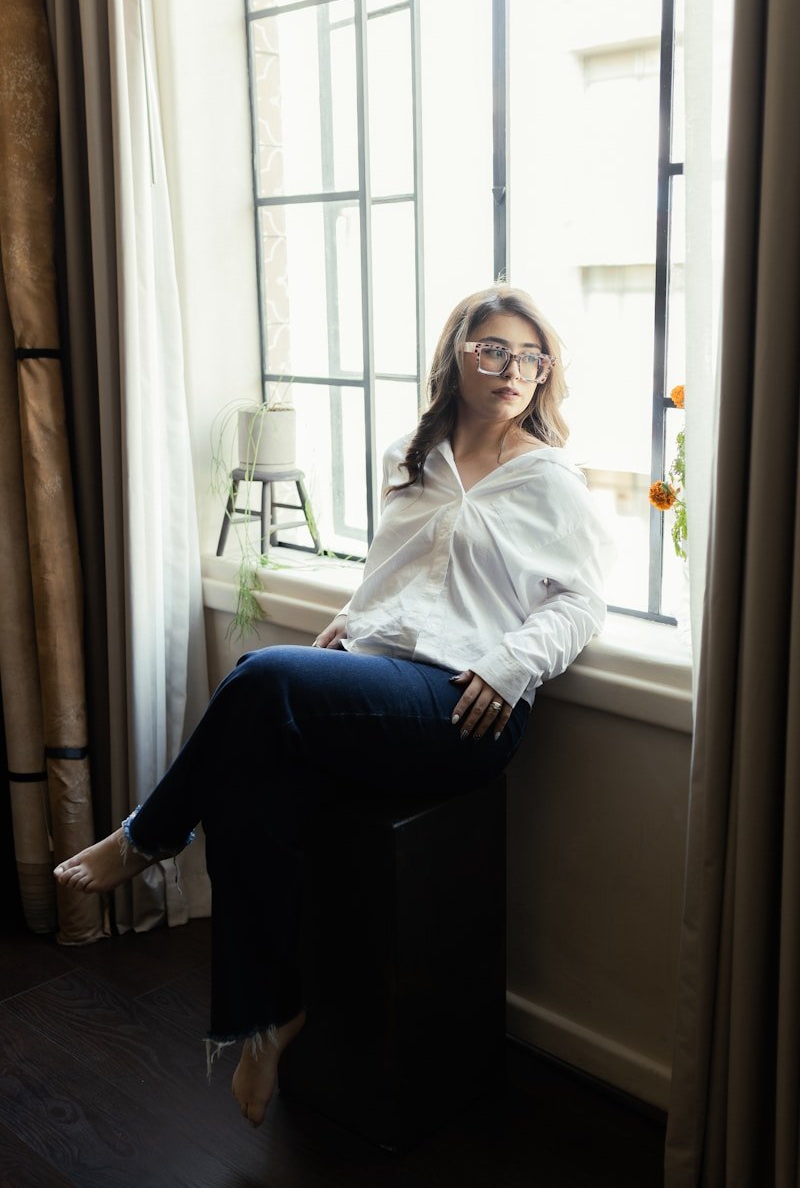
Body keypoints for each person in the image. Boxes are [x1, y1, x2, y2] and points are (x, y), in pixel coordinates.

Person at [54, 284, 612, 1127]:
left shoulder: (548, 478)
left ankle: (149, 837)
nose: (512, 370)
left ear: (545, 374)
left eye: (531, 358)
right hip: (385, 678)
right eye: (494, 350)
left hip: (465, 704)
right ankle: (272, 1017)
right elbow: (404, 571)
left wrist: (510, 666)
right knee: (251, 774)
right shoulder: (410, 456)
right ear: (457, 355)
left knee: (261, 676)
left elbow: (580, 602)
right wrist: (359, 616)